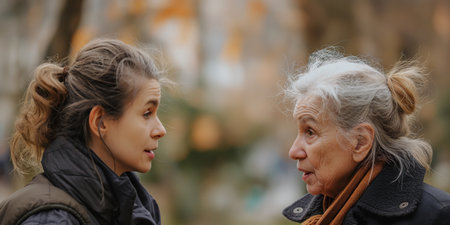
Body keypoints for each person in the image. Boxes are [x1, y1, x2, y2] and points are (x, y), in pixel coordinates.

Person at [0, 38, 167, 225]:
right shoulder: (51, 220)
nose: (161, 130)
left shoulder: (130, 207)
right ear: (100, 122)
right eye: (146, 113)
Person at [282, 48, 450, 225]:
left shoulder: (436, 217)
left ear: (360, 142)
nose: (293, 152)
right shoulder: (318, 217)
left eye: (310, 132)